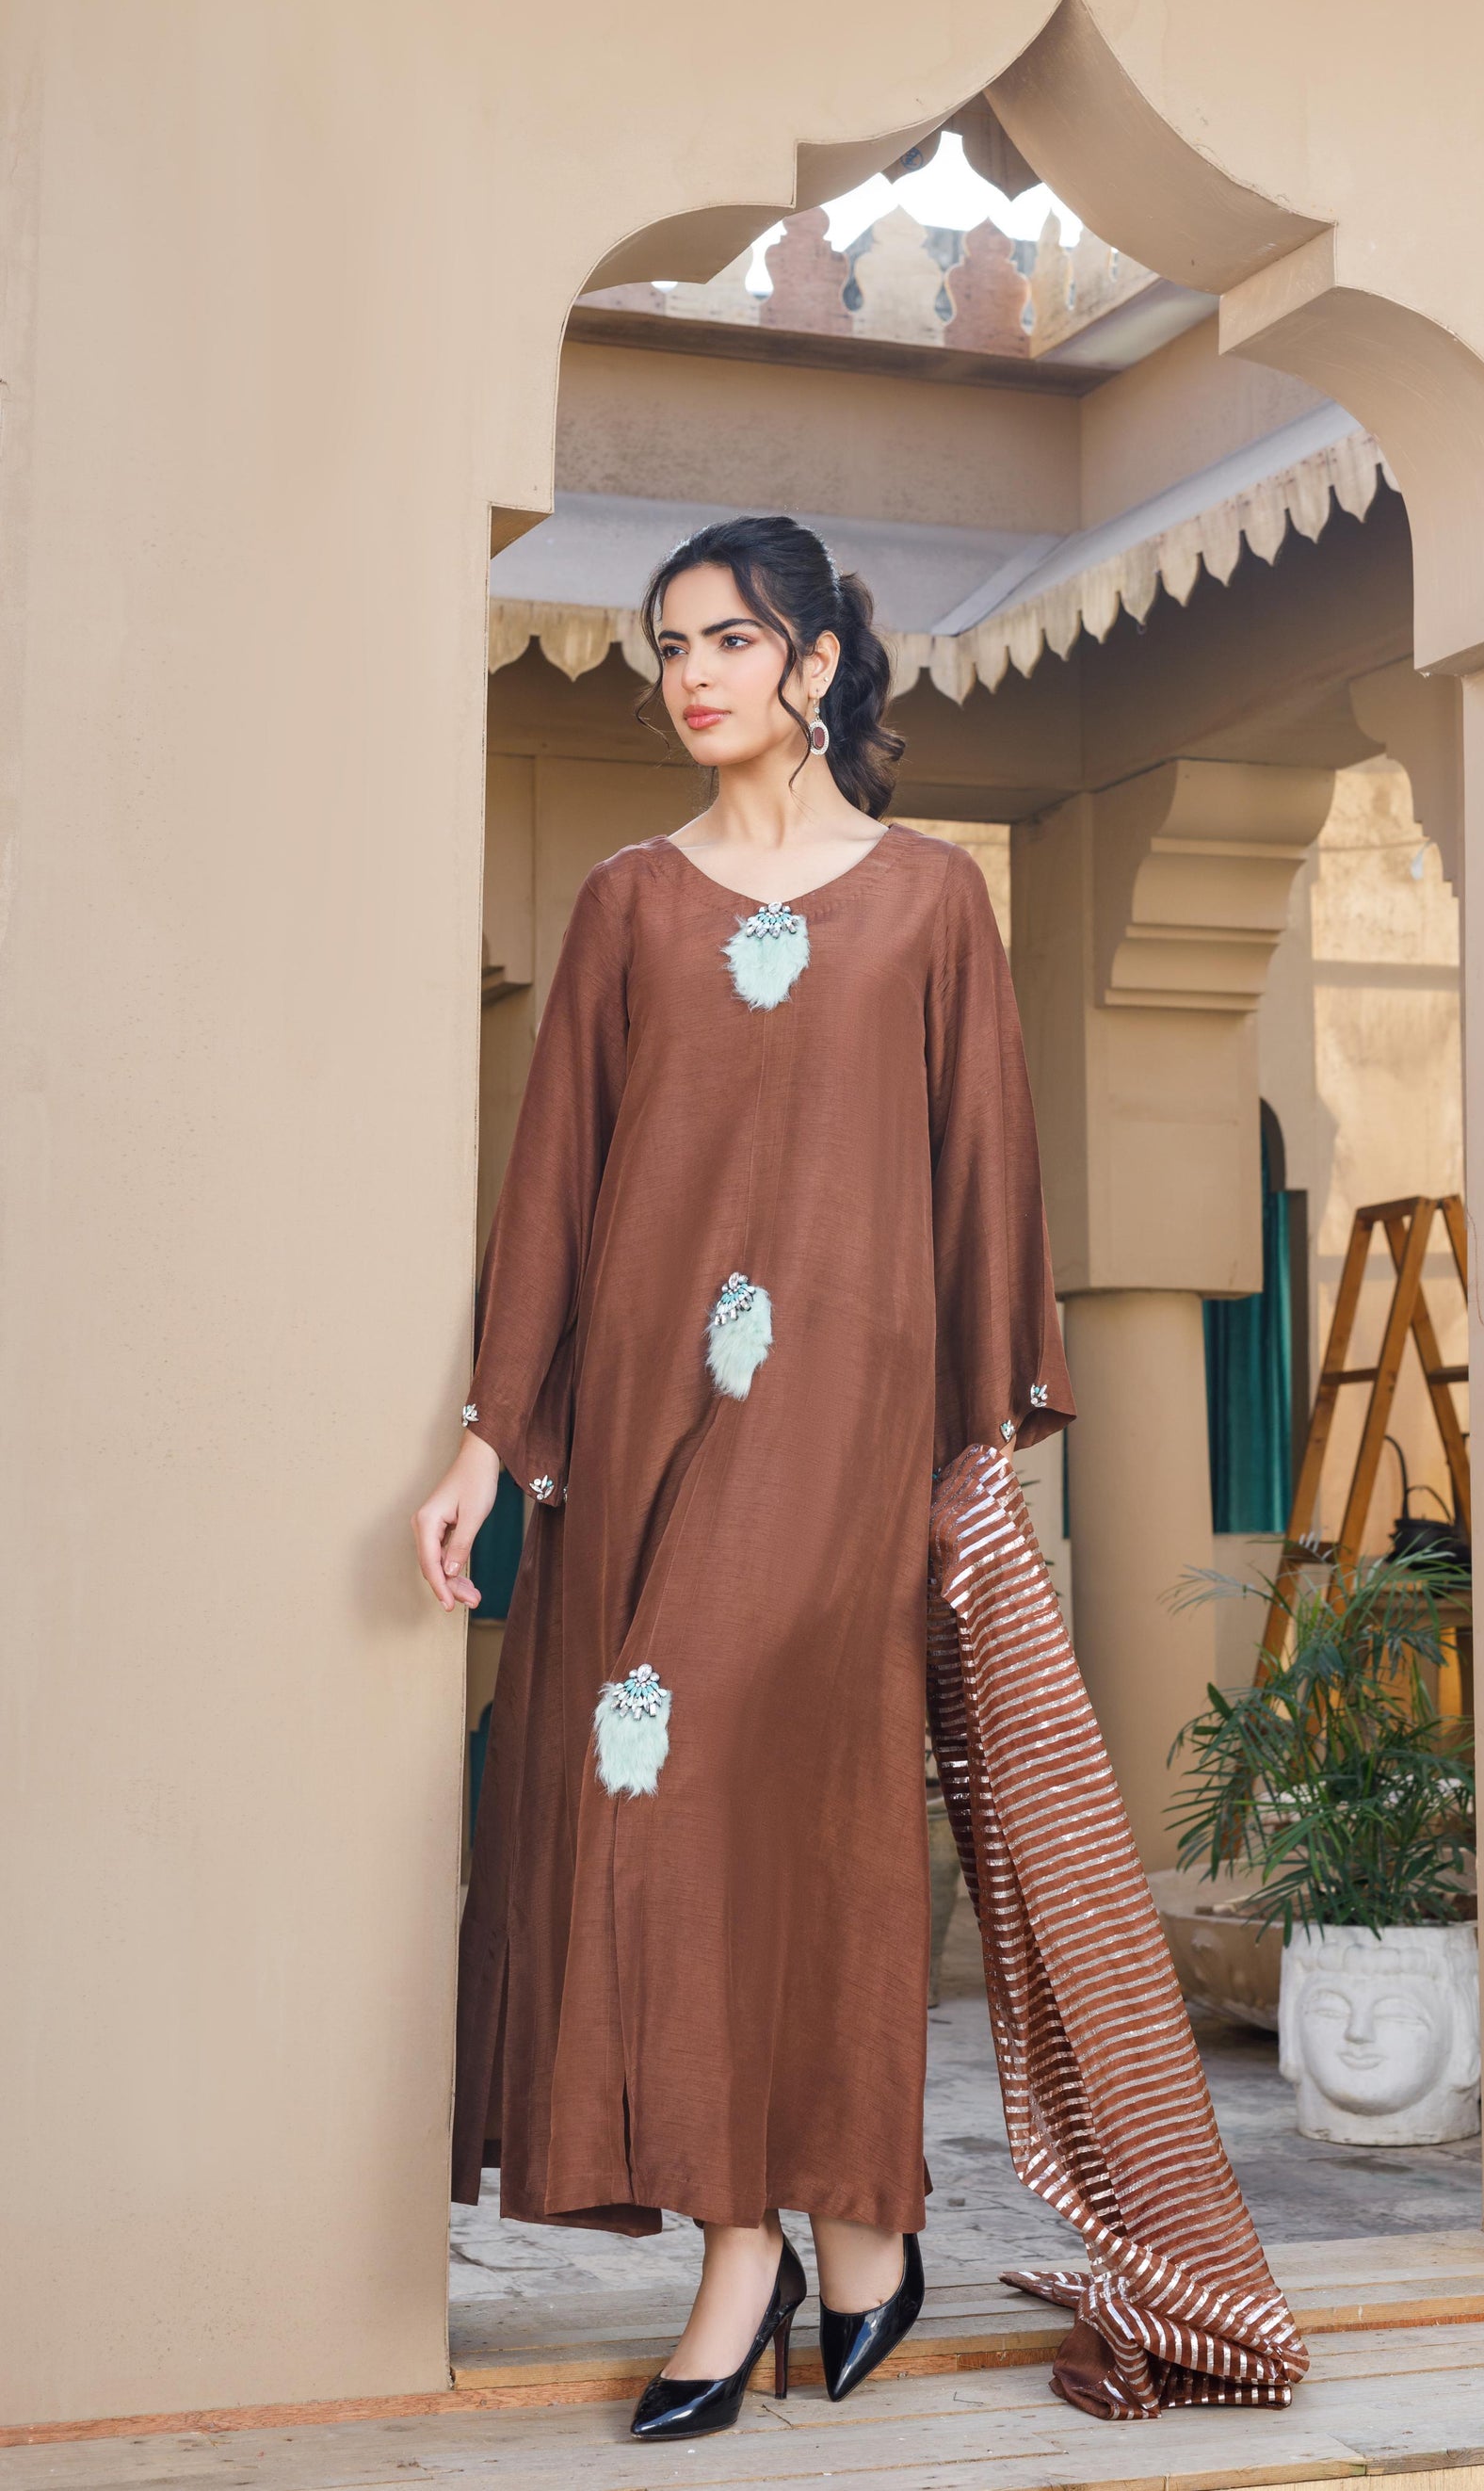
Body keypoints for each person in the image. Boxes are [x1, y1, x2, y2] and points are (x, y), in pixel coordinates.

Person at [413, 514, 1073, 2442]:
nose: (691, 675)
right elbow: (554, 1187)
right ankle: (778, 2238)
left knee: (820, 1822)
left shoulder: (931, 900)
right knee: (658, 1806)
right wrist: (487, 1444)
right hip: (642, 1436)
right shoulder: (626, 903)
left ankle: (832, 2221)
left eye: (728, 638)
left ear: (817, 660)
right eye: (669, 644)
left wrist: (983, 1449)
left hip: (850, 1440)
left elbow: (982, 1171)